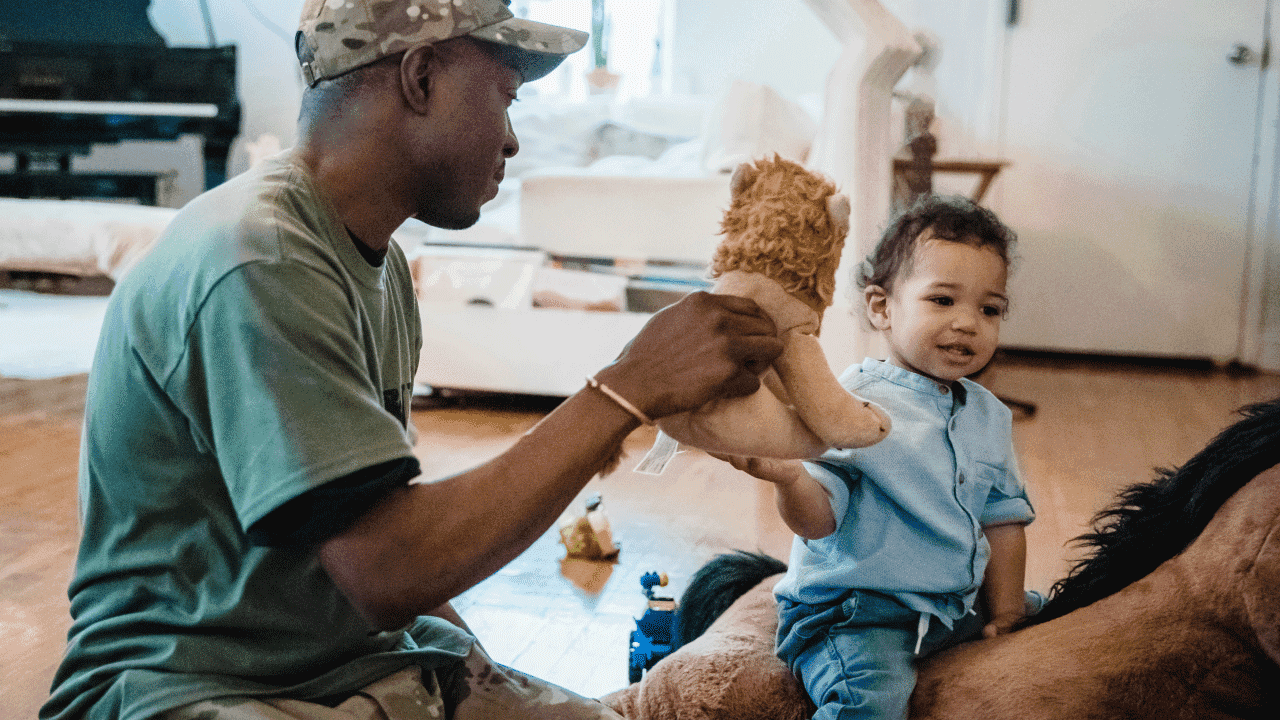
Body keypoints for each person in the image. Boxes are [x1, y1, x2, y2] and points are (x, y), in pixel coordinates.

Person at [39, 2, 786, 719]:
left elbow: (394, 533)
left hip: (348, 666)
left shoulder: (380, 266)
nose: (513, 138)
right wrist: (627, 391)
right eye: (506, 96)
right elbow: (386, 569)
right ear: (421, 77)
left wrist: (487, 680)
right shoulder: (259, 260)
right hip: (191, 688)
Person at [717, 195, 1038, 719]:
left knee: (1067, 614)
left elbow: (1002, 522)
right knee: (873, 701)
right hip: (859, 616)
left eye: (989, 309)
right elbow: (818, 522)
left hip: (948, 607)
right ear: (882, 308)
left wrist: (1004, 616)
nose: (967, 324)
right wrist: (788, 480)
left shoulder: (989, 415)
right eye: (942, 301)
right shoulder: (851, 407)